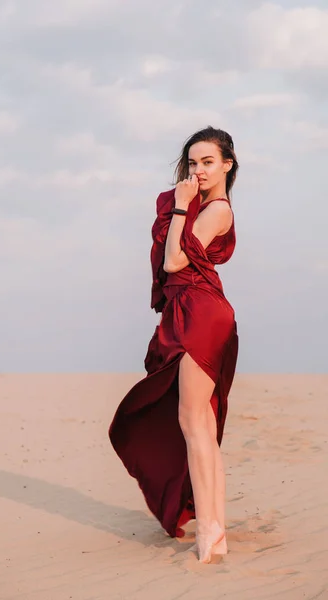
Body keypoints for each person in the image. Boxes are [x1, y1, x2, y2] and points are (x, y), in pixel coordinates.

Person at [109, 126, 239, 564]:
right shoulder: (195, 204)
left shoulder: (217, 209)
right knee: (199, 423)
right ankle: (213, 528)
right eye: (193, 162)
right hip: (186, 309)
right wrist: (183, 206)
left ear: (227, 164)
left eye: (208, 162)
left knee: (193, 422)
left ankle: (210, 535)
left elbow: (174, 260)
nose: (199, 170)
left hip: (201, 313)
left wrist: (182, 205)